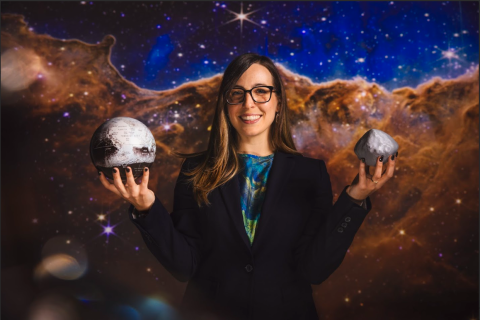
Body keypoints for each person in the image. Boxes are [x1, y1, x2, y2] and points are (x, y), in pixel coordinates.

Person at [99, 53, 396, 320]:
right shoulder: (196, 170)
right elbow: (184, 267)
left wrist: (356, 198)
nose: (249, 103)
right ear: (226, 105)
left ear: (278, 102)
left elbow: (314, 269)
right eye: (237, 94)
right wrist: (146, 208)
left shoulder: (310, 173)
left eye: (261, 92)